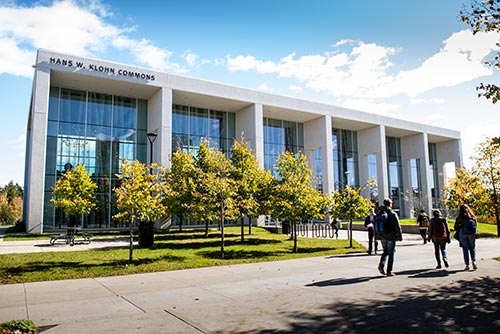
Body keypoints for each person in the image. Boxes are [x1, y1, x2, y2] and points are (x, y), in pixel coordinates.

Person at [377, 198, 403, 277]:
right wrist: (400, 236)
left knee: (385, 251)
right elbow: (397, 226)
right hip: (390, 235)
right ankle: (389, 271)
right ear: (390, 204)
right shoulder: (392, 213)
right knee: (391, 253)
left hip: (382, 235)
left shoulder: (379, 212)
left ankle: (381, 264)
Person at [454, 204, 478, 271]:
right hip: (472, 234)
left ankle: (467, 265)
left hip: (463, 233)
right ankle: (474, 261)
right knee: (472, 248)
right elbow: (476, 225)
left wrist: (460, 226)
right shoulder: (472, 216)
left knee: (465, 249)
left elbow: (455, 227)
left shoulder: (460, 217)